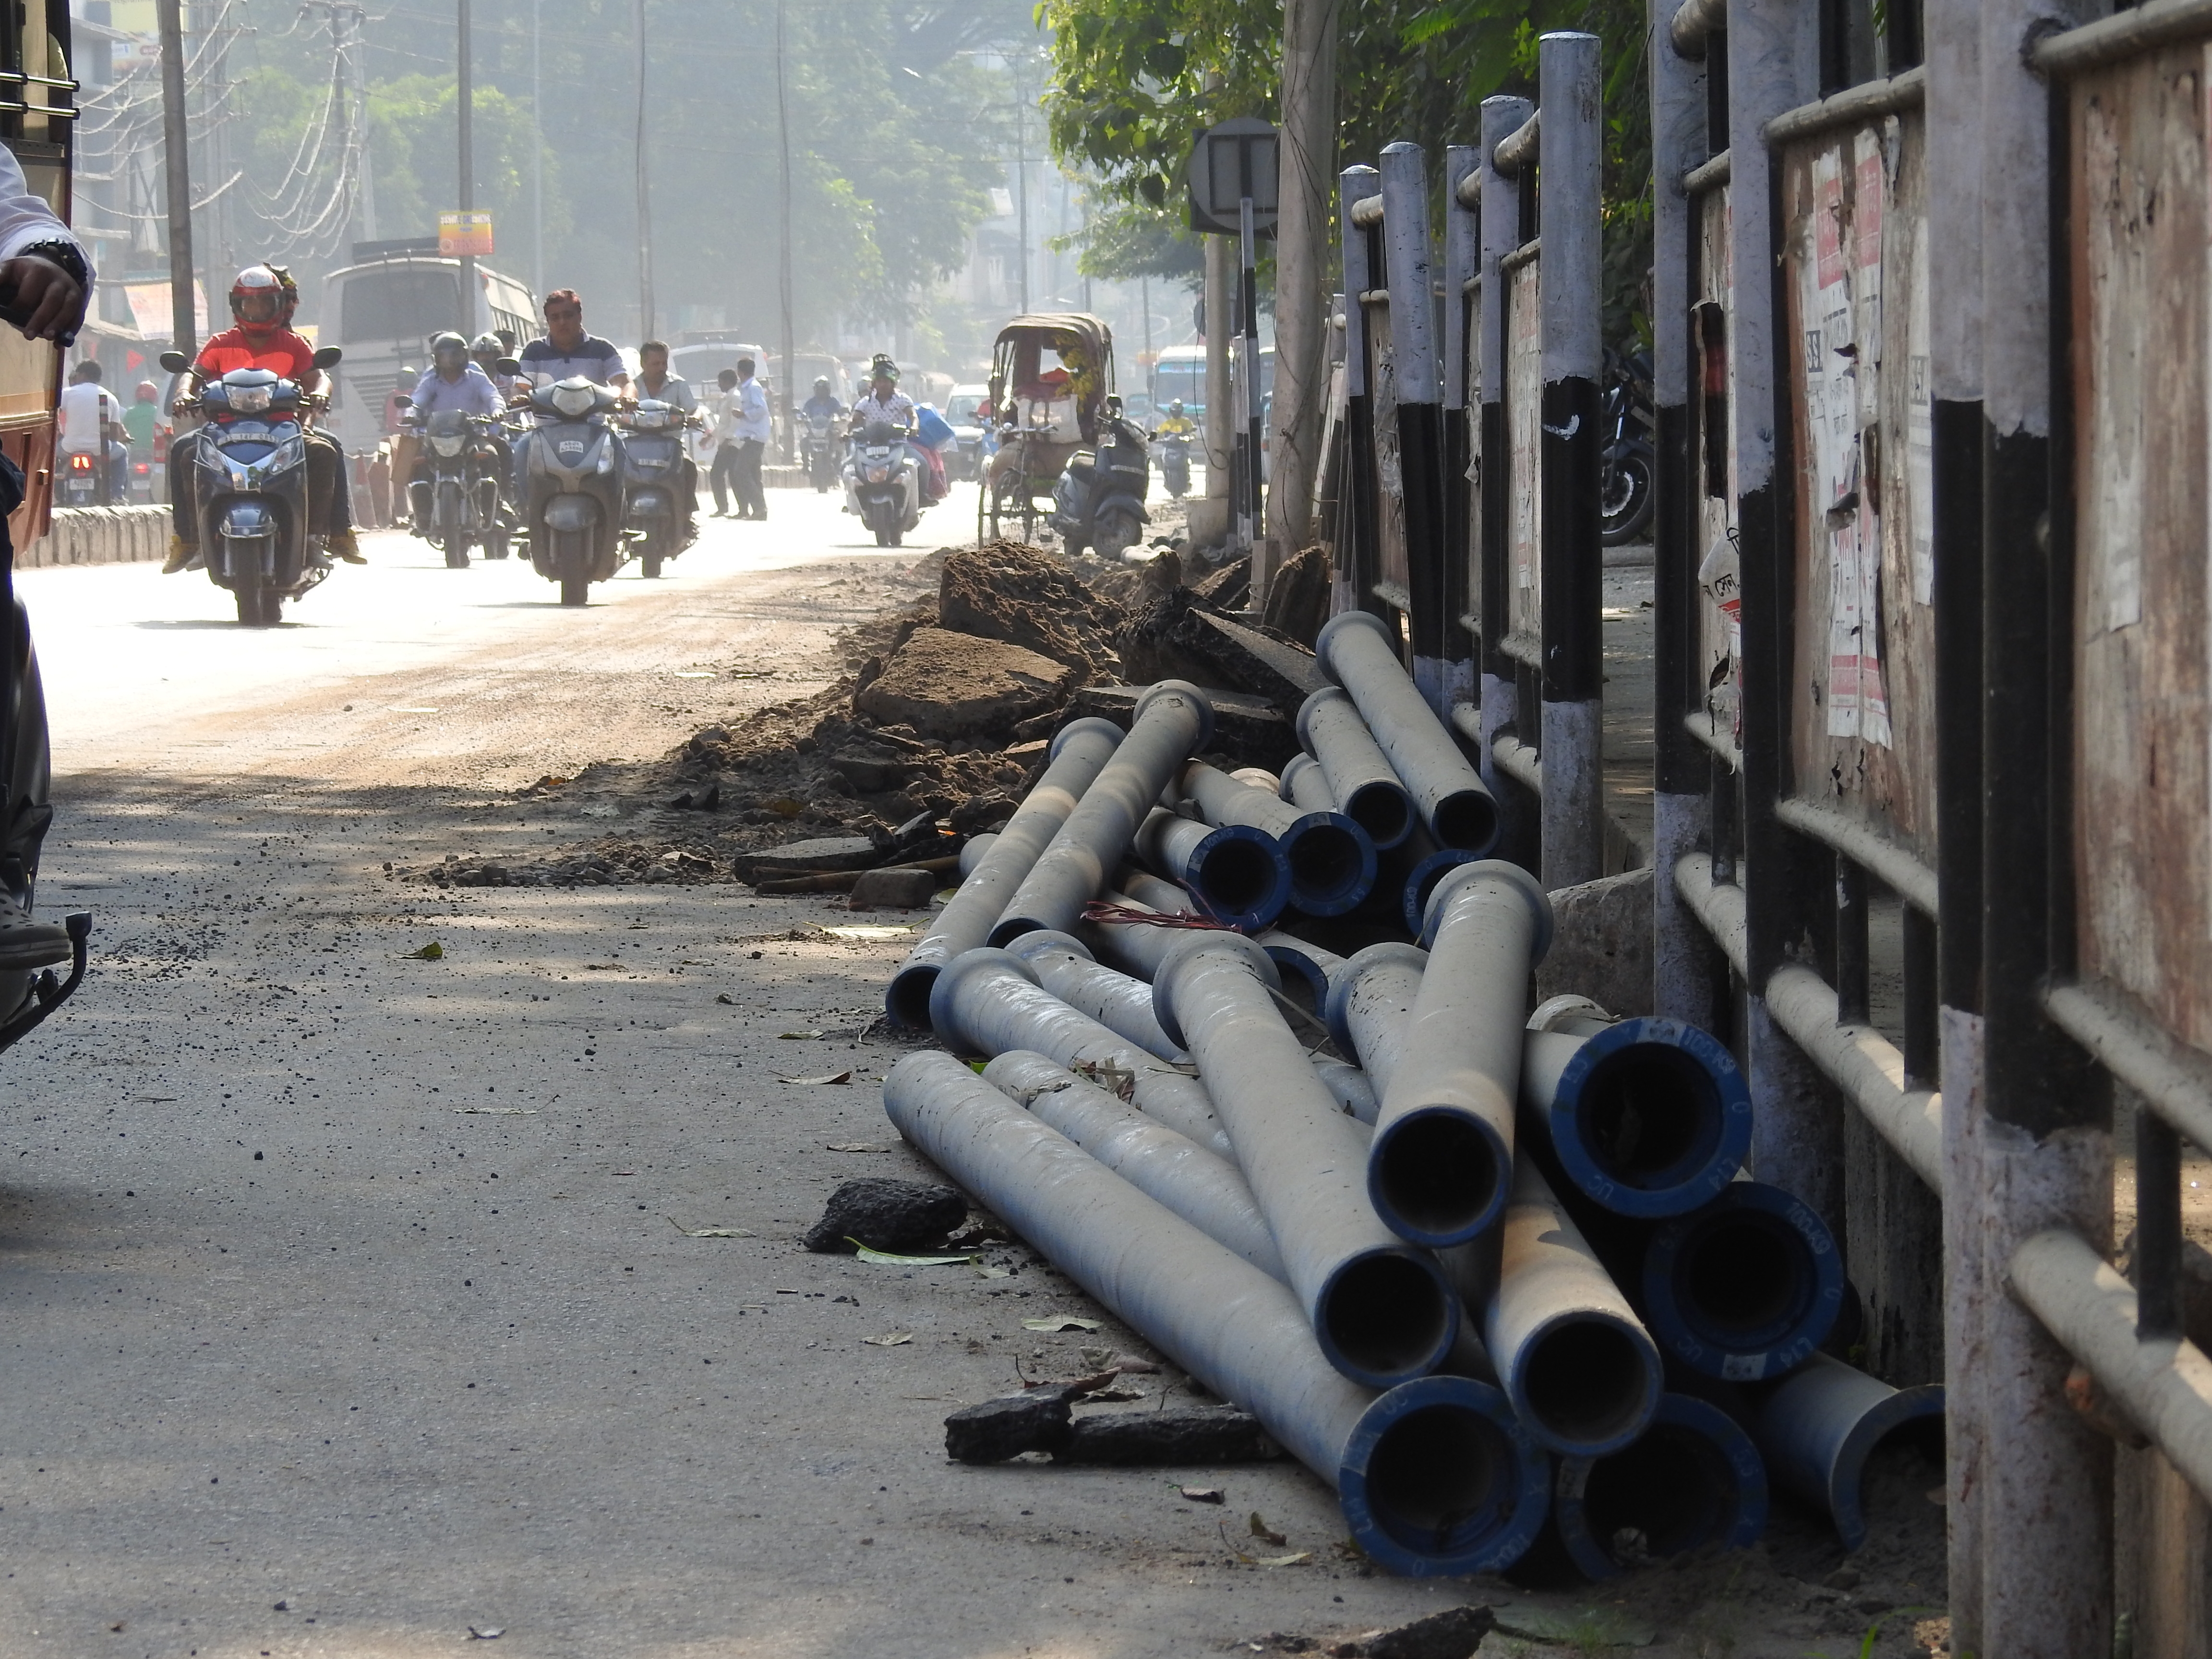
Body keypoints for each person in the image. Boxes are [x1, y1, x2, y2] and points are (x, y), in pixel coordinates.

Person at [164, 264, 363, 572]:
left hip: (284, 429)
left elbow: (319, 378)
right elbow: (192, 376)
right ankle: (190, 540)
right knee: (184, 452)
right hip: (223, 431)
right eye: (249, 303)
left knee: (326, 449)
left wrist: (322, 393)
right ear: (237, 306)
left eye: (263, 302)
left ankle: (327, 536)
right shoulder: (220, 343)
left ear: (278, 305)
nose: (256, 310)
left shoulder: (294, 344)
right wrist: (183, 394)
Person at [510, 288, 627, 500]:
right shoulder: (534, 350)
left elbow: (623, 382)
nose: (562, 322)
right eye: (555, 318)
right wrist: (519, 396)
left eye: (568, 315)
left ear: (580, 317)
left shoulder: (602, 349)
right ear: (547, 321)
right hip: (546, 432)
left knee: (618, 447)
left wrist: (626, 396)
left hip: (594, 431)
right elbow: (522, 384)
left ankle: (619, 515)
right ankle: (529, 511)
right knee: (522, 450)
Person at [399, 332, 504, 536]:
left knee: (491, 455)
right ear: (436, 359)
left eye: (453, 356)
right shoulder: (431, 378)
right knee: (418, 466)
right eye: (443, 357)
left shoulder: (476, 375)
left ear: (464, 356)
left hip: (472, 437)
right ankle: (423, 516)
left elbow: (493, 396)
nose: (448, 362)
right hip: (438, 439)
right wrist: (410, 414)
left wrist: (497, 411)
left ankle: (494, 512)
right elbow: (417, 400)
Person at [851, 357, 941, 505]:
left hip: (898, 445)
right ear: (874, 383)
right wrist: (846, 432)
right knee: (849, 466)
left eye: (886, 381)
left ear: (893, 383)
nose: (883, 385)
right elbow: (854, 420)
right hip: (871, 446)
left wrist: (914, 427)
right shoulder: (866, 402)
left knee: (922, 463)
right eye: (879, 381)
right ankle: (855, 501)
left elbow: (913, 416)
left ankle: (922, 496)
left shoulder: (902, 399)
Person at [632, 339, 698, 538]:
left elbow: (694, 410)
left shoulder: (678, 385)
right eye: (655, 364)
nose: (661, 368)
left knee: (688, 467)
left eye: (664, 363)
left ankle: (687, 517)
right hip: (635, 447)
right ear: (643, 364)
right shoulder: (632, 387)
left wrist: (695, 418)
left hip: (670, 446)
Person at [56, 360, 126, 504]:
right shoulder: (111, 398)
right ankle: (117, 495)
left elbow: (54, 416)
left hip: (69, 448)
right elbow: (113, 434)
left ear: (82, 375)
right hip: (100, 451)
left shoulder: (67, 393)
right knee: (123, 451)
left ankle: (55, 489)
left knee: (50, 454)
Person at [725, 354, 771, 520]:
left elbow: (761, 409)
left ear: (740, 372)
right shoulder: (746, 388)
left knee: (741, 471)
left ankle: (759, 508)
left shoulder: (753, 388)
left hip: (755, 437)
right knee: (754, 474)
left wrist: (743, 413)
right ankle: (760, 511)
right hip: (749, 436)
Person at [123, 379, 163, 501]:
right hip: (152, 453)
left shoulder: (131, 412)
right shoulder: (157, 412)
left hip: (134, 452)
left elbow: (124, 431)